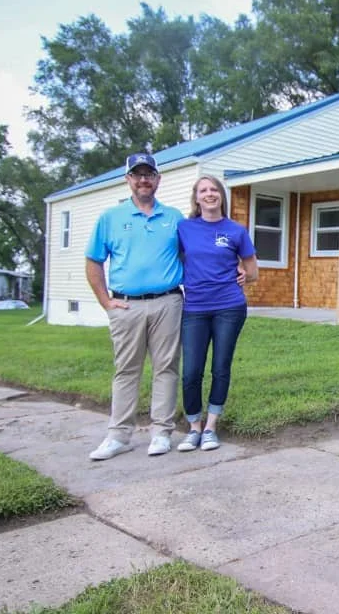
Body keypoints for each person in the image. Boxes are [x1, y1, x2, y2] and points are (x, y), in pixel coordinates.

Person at [85, 153, 184, 460]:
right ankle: (119, 436)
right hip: (126, 306)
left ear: (158, 179)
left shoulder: (174, 217)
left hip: (168, 302)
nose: (144, 179)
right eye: (137, 174)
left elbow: (196, 254)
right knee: (127, 370)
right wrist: (105, 301)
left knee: (166, 368)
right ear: (128, 179)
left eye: (149, 174)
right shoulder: (110, 218)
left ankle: (161, 432)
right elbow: (93, 261)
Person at [176, 175, 258, 452]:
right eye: (203, 190)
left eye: (214, 190)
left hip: (229, 307)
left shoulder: (236, 231)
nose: (209, 194)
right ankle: (193, 427)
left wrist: (244, 274)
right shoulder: (184, 228)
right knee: (191, 371)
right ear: (196, 198)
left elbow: (254, 271)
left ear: (221, 196)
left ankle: (210, 427)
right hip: (194, 309)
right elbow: (171, 259)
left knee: (220, 367)